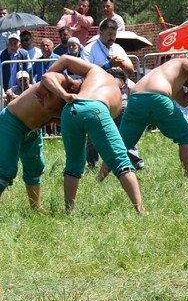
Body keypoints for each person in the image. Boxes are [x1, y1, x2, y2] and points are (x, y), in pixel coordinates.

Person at [97, 54, 188, 181]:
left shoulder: (168, 73)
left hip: (135, 100)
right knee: (186, 135)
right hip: (157, 98)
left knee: (120, 145)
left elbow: (184, 101)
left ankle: (99, 179)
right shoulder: (182, 61)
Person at [43, 54, 145, 214]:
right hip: (97, 110)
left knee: (73, 164)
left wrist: (53, 88)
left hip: (70, 110)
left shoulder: (94, 70)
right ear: (123, 85)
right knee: (121, 159)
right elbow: (107, 131)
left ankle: (69, 211)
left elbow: (64, 58)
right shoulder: (119, 96)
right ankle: (140, 210)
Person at [0, 72, 79, 213]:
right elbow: (46, 78)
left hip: (33, 129)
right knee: (6, 170)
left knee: (35, 167)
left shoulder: (74, 103)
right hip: (12, 121)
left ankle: (35, 208)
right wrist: (65, 95)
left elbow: (55, 118)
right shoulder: (62, 81)